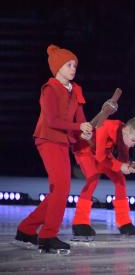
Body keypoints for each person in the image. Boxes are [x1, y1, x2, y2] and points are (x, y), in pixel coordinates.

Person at [15, 44, 93, 254]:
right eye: (69, 65)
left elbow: (81, 118)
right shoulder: (49, 89)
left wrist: (85, 131)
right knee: (61, 189)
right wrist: (78, 127)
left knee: (59, 190)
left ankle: (26, 228)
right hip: (47, 139)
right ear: (57, 67)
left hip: (63, 141)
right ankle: (48, 236)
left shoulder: (75, 89)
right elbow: (51, 120)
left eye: (75, 65)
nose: (73, 68)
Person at [72, 117, 135, 240]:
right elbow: (100, 156)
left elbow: (122, 158)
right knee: (93, 179)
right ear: (127, 130)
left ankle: (124, 222)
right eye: (134, 141)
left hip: (103, 154)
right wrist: (120, 166)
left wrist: (128, 167)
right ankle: (79, 222)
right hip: (86, 148)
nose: (133, 145)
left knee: (120, 180)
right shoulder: (106, 126)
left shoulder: (125, 134)